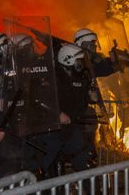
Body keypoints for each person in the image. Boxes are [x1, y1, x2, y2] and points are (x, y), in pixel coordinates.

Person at [38, 43, 91, 176]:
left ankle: (92, 194)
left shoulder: (81, 78)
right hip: (52, 129)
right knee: (41, 165)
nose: (82, 65)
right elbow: (41, 100)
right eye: (79, 61)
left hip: (71, 127)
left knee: (83, 160)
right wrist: (58, 113)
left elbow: (80, 103)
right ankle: (34, 194)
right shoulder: (51, 78)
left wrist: (90, 97)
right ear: (68, 60)